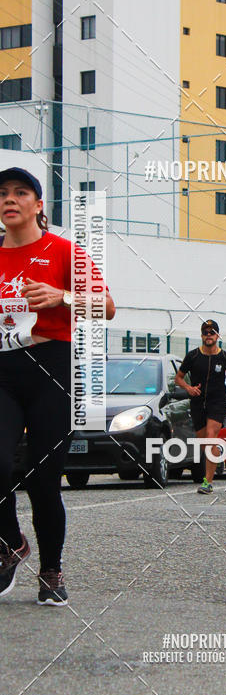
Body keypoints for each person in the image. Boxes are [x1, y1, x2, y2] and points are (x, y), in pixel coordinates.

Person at [0, 167, 115, 605]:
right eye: (2, 194)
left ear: (38, 204)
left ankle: (51, 569)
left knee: (43, 477)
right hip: (3, 369)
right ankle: (10, 543)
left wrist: (62, 297)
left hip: (51, 368)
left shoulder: (64, 251)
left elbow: (107, 307)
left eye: (20, 192)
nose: (10, 200)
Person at [175, 320, 226, 494]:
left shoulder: (225, 358)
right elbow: (178, 378)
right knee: (205, 444)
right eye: (205, 333)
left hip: (217, 402)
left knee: (210, 437)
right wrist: (188, 388)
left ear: (217, 336)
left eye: (212, 333)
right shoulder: (192, 356)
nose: (209, 336)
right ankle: (216, 457)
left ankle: (208, 482)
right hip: (198, 402)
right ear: (201, 336)